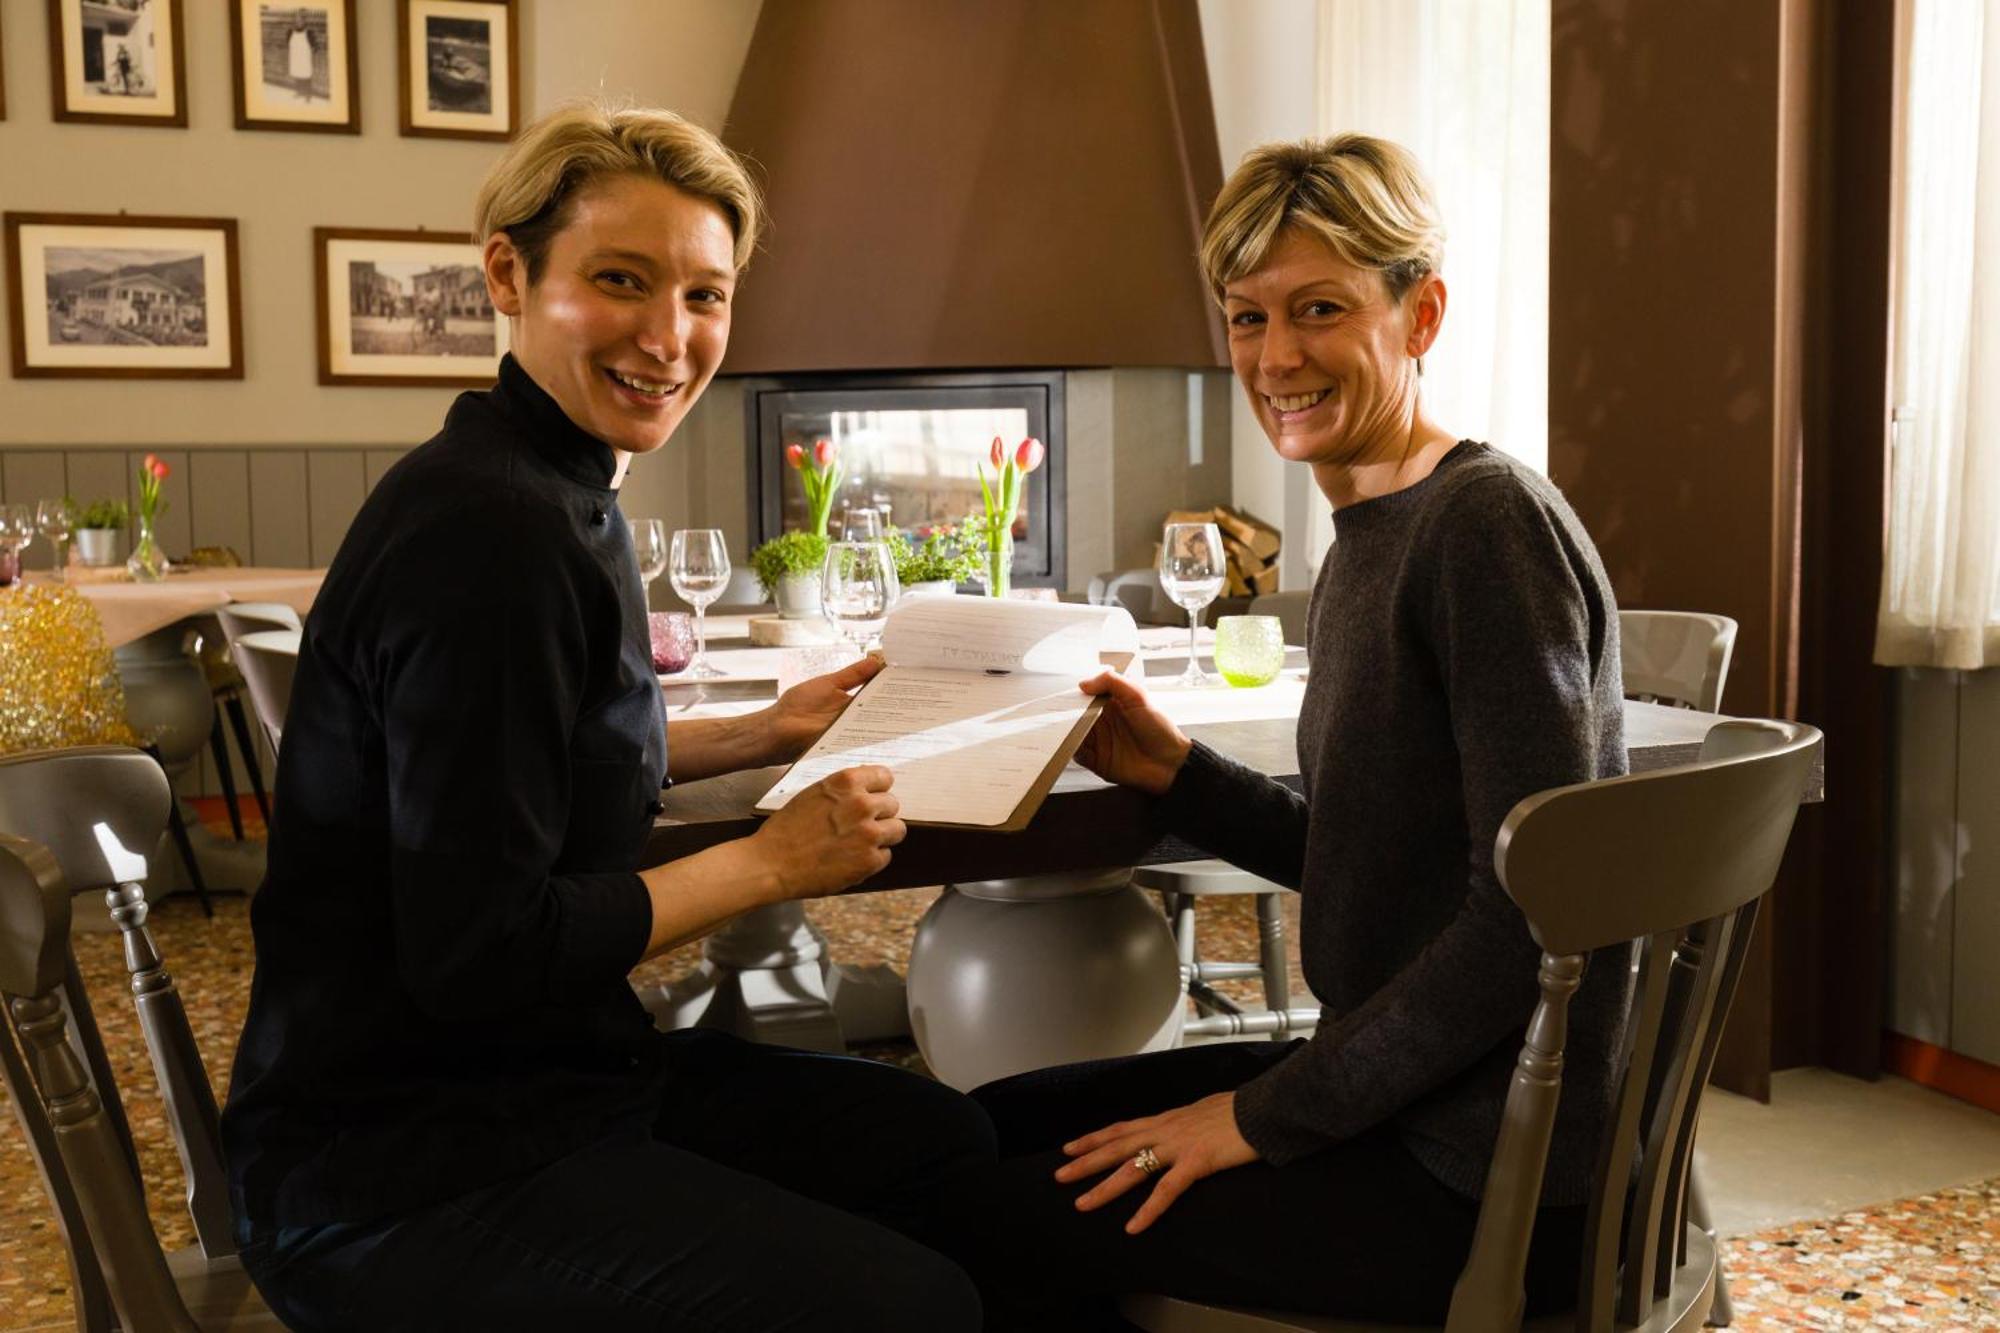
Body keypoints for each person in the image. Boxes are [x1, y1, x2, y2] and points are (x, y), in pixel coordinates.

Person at [221, 102, 991, 1332]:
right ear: (508, 275)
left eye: (705, 295)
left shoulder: (541, 484)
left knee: (939, 1139)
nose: (668, 336)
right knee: (912, 1304)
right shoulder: (493, 531)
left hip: (547, 1080)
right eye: (619, 281)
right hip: (394, 1164)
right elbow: (481, 951)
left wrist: (753, 734)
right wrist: (767, 861)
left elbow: (514, 768)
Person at [946, 135, 1629, 1327]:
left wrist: (1259, 1117)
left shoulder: (1480, 527)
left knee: (989, 1217)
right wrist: (1178, 773)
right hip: (1409, 1096)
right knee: (983, 1125)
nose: (1274, 357)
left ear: (1420, 315)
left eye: (1318, 309)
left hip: (1479, 1170)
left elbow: (1532, 919)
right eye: (1245, 318)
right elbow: (1378, 859)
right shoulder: (1374, 522)